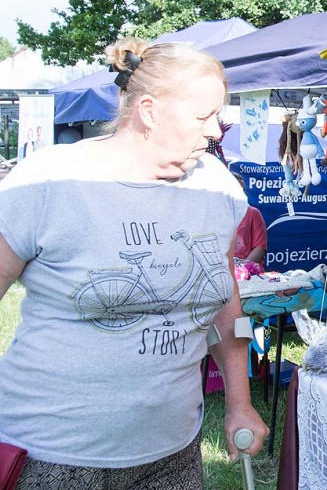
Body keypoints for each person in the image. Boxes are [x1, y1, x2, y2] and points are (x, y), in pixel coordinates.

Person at [0, 37, 268, 489]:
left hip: (173, 451)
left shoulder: (217, 187)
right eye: (202, 117)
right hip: (55, 455)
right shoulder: (49, 180)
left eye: (218, 117)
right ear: (149, 110)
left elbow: (228, 309)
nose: (215, 132)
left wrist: (240, 403)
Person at [233, 173, 267, 268]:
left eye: (243, 190)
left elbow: (260, 247)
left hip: (248, 271)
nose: (241, 193)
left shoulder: (252, 213)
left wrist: (242, 269)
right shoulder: (215, 215)